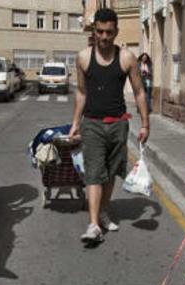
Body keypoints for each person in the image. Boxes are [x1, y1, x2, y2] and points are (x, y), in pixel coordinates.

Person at [70, 8, 150, 245]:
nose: (104, 37)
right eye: (100, 32)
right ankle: (93, 224)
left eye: (109, 32)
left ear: (116, 32)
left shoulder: (127, 58)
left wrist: (145, 124)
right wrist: (76, 123)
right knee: (94, 173)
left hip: (118, 125)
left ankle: (103, 212)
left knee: (111, 172)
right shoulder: (83, 57)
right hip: (92, 124)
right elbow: (82, 92)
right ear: (94, 31)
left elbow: (139, 92)